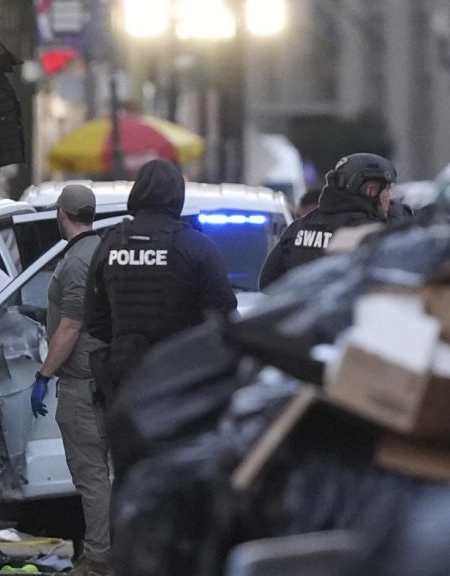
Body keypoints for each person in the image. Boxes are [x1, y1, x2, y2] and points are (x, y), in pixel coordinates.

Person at [85, 159, 237, 403]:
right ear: (178, 195)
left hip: (125, 380)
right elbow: (225, 314)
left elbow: (94, 321)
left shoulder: (110, 243)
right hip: (181, 377)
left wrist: (129, 341)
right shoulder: (197, 247)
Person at [30, 184, 114, 576]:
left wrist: (43, 374)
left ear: (61, 214)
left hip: (82, 381)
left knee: (91, 475)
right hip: (105, 377)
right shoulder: (104, 249)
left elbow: (71, 325)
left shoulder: (79, 260)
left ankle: (98, 557)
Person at [259, 153, 397, 290]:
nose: (391, 197)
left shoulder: (298, 228)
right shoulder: (371, 235)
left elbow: (267, 283)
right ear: (371, 190)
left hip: (301, 311)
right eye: (388, 189)